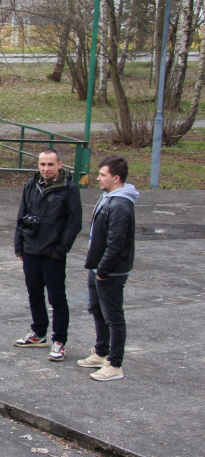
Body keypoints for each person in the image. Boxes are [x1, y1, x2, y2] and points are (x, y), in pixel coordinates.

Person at [13, 148, 83, 361]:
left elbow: (74, 223)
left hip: (53, 254)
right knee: (34, 295)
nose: (46, 168)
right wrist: (19, 246)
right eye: (42, 164)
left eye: (50, 164)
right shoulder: (31, 185)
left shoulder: (69, 189)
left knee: (57, 298)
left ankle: (59, 340)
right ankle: (39, 332)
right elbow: (21, 215)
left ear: (59, 165)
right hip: (31, 251)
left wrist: (60, 249)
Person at [80, 155, 138, 382]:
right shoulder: (109, 198)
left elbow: (116, 243)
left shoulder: (121, 204)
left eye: (102, 175)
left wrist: (103, 270)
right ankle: (101, 351)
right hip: (98, 267)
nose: (97, 178)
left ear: (116, 177)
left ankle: (115, 364)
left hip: (110, 271)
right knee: (96, 309)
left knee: (113, 316)